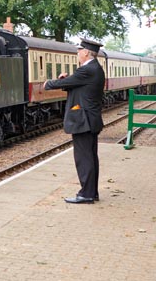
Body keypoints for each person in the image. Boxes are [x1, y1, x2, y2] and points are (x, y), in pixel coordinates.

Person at [44, 38, 105, 204]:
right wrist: (66, 80)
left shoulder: (87, 70)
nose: (77, 53)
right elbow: (77, 84)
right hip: (89, 120)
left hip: (83, 121)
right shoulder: (94, 69)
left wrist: (48, 83)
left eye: (79, 50)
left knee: (84, 159)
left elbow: (71, 81)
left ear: (86, 52)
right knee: (90, 157)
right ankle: (91, 192)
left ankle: (86, 194)